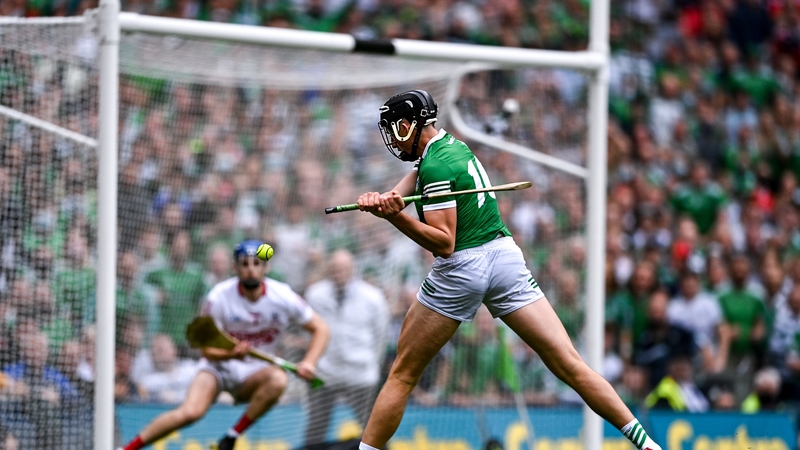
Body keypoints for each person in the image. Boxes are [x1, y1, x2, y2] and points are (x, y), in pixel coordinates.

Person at [354, 90, 663, 450]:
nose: (392, 140)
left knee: (403, 375)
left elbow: (443, 242)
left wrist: (395, 217)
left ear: (408, 125)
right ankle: (647, 445)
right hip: (505, 259)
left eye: (394, 130)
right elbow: (416, 176)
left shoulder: (435, 166)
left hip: (462, 267)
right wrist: (387, 199)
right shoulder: (450, 146)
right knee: (570, 364)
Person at [118, 239, 329, 450]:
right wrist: (232, 354)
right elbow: (206, 350)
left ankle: (230, 437)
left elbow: (321, 329)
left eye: (256, 264)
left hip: (255, 373)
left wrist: (309, 362)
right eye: (244, 264)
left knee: (278, 379)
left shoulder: (283, 296)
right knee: (190, 412)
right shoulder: (219, 296)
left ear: (266, 267)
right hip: (217, 368)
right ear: (234, 267)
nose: (251, 270)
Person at [303, 248, 390, 448]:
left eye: (343, 268)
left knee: (372, 428)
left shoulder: (372, 297)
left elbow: (381, 335)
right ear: (328, 269)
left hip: (360, 372)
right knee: (316, 428)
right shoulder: (315, 294)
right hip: (324, 371)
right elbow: (308, 330)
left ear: (353, 269)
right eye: (334, 269)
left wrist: (371, 363)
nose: (338, 273)